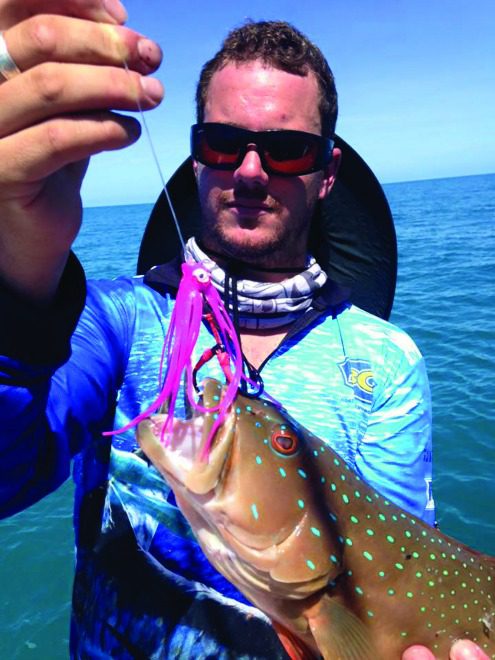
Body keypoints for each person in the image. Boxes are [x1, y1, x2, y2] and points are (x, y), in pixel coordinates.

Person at [0, 2, 486, 658]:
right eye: (224, 144)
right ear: (197, 159)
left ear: (327, 174)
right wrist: (19, 270)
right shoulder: (112, 322)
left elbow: (392, 575)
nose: (251, 171)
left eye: (287, 150)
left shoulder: (385, 360)